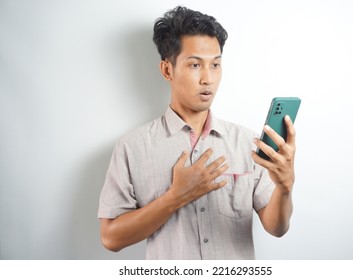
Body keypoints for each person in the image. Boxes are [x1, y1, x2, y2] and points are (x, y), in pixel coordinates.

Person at [98, 6, 296, 260]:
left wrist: (285, 186)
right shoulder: (132, 147)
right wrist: (175, 197)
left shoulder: (248, 142)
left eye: (215, 65)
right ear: (168, 70)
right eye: (195, 65)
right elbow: (110, 238)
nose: (208, 79)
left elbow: (276, 227)